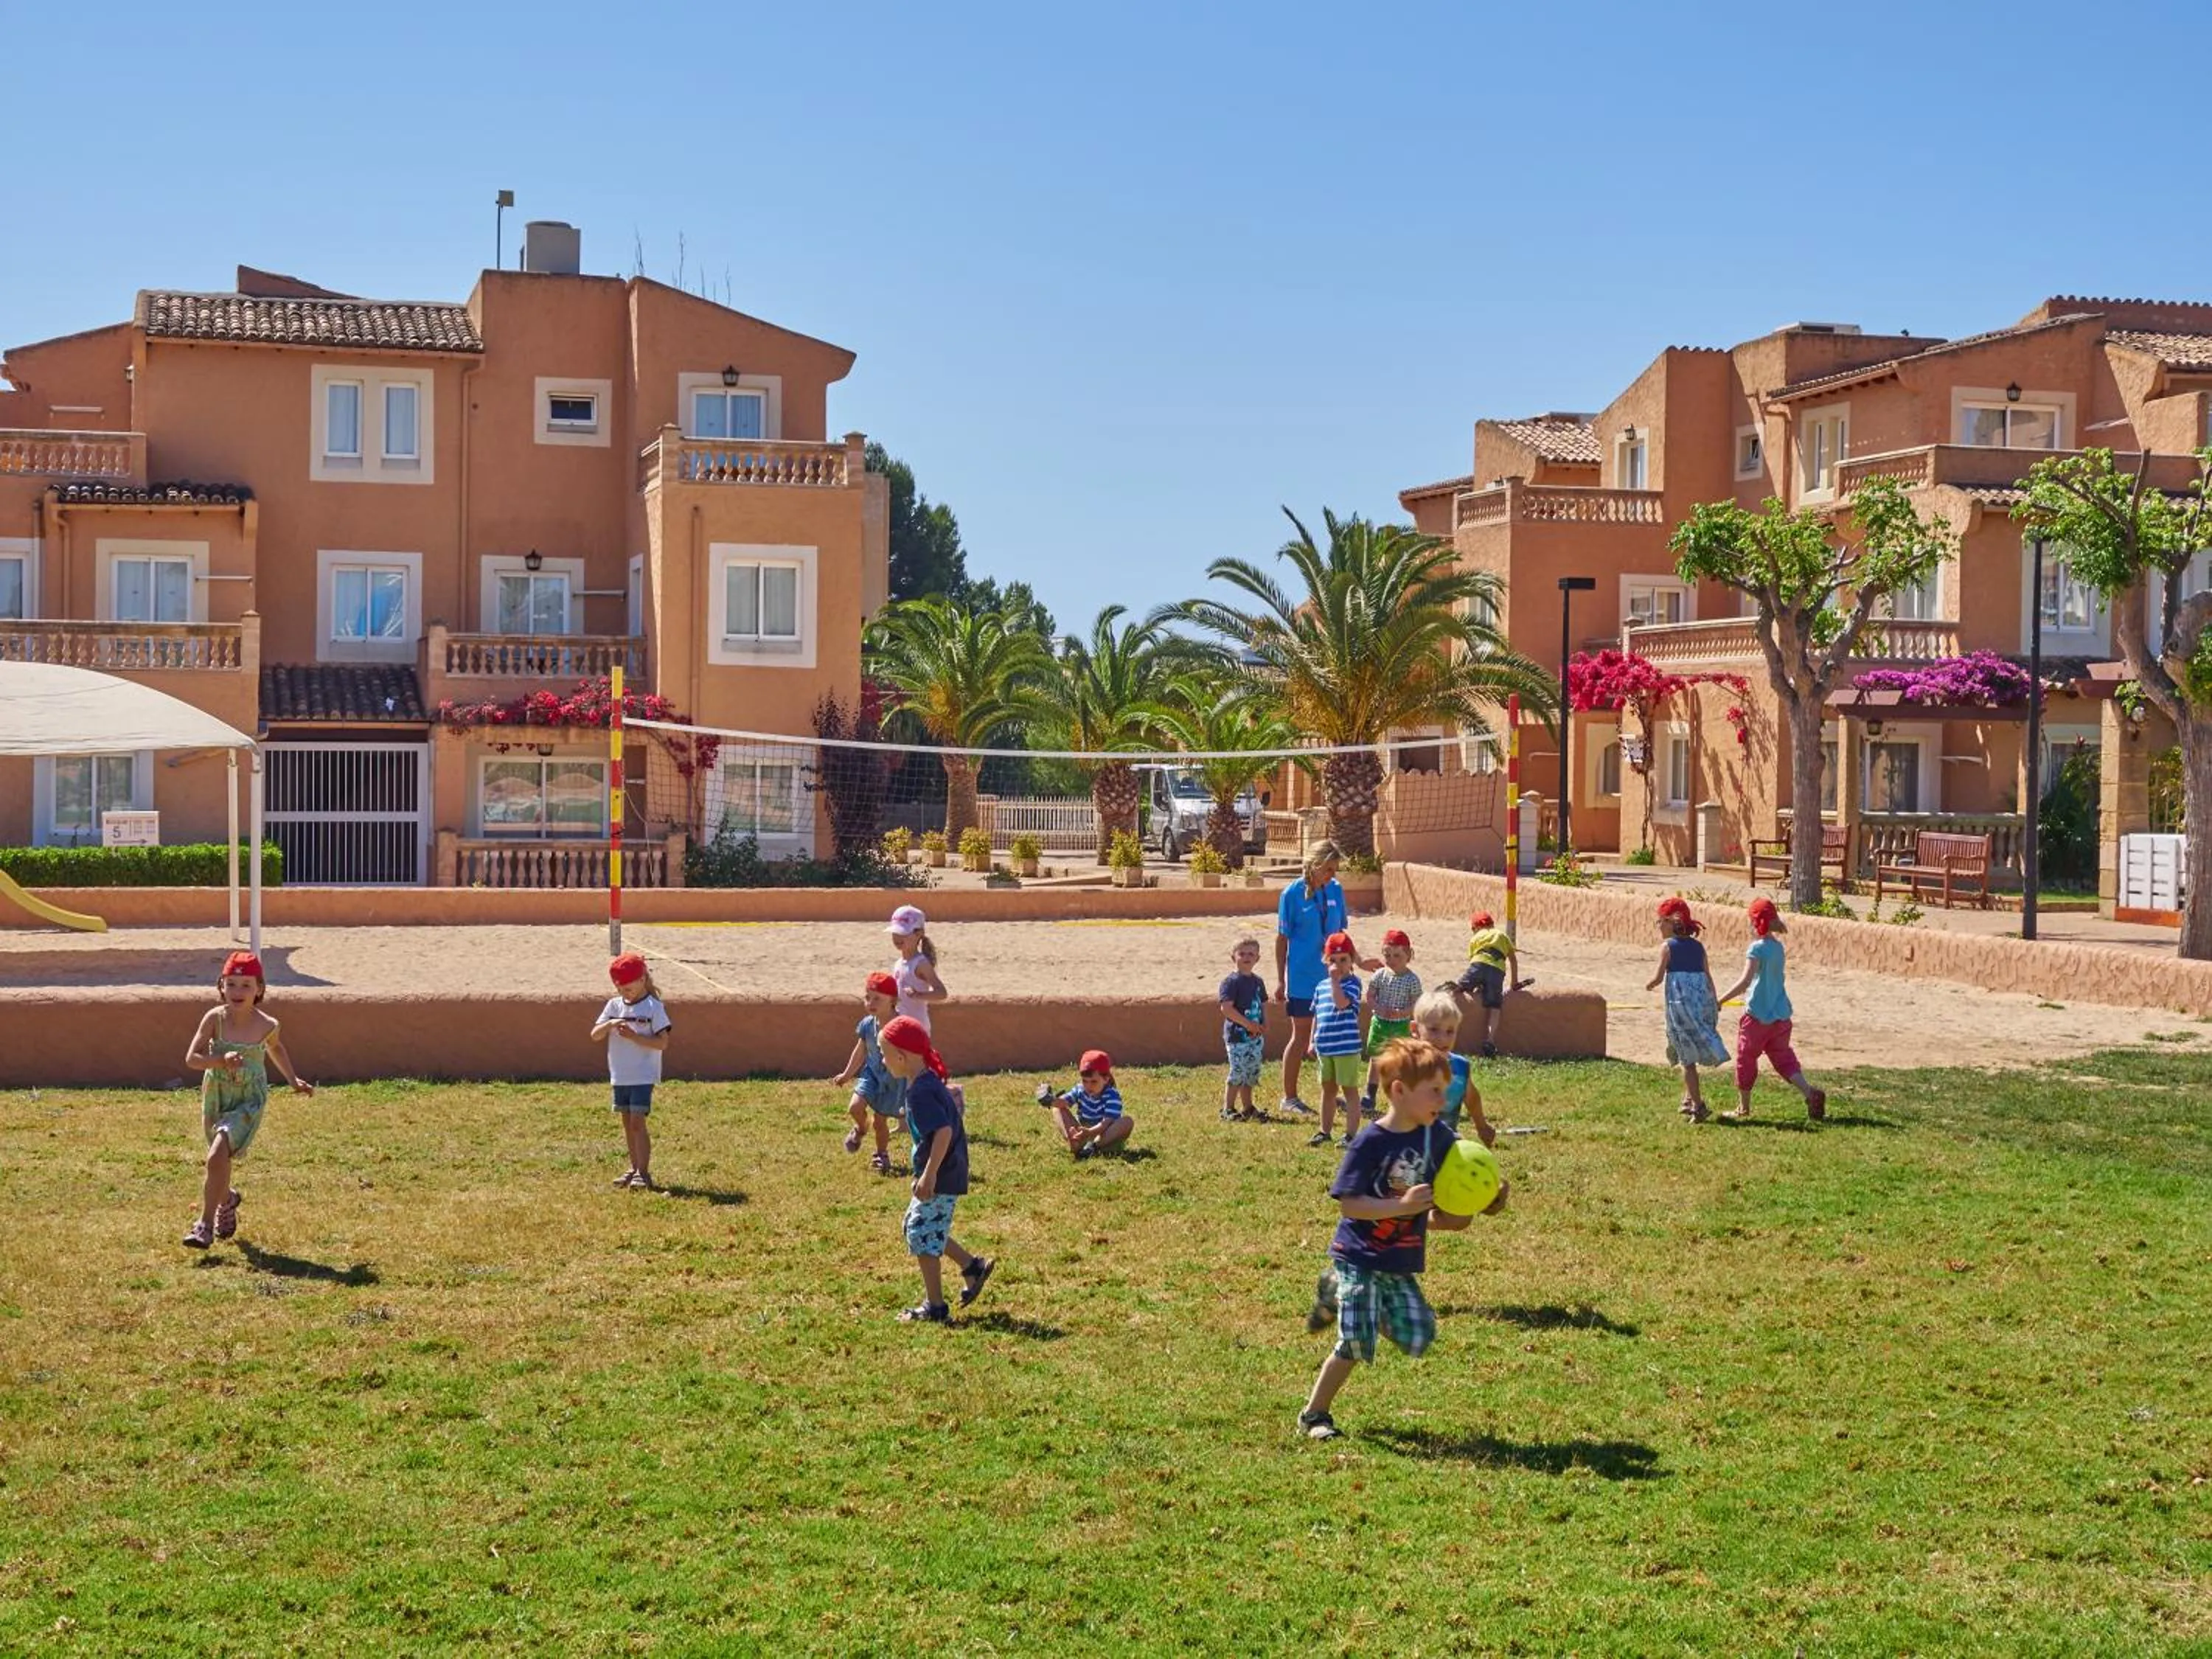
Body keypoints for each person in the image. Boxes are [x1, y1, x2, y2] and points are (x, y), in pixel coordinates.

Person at [1297, 1038, 1508, 1442]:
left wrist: (1486, 1197)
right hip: (1359, 1253)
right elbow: (1350, 1206)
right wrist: (1402, 1206)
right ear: (1399, 1091)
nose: (1443, 1100)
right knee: (1356, 1341)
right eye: (1434, 1091)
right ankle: (1315, 1415)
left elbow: (1460, 1184)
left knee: (1419, 1335)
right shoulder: (1370, 1142)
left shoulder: (1438, 1137)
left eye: (1445, 1090)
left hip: (1398, 1259)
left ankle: (1338, 1293)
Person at [181, 951, 313, 1249]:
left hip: (248, 1100)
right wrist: (220, 1061)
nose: (237, 991)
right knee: (220, 1160)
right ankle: (227, 1199)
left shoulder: (267, 1024)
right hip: (217, 1096)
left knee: (216, 1154)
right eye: (231, 984)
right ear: (221, 986)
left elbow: (276, 1049)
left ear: (259, 989)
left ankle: (204, 1226)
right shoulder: (214, 1019)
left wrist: (293, 1080)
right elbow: (192, 1059)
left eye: (246, 985)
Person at [877, 1015, 994, 1323]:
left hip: (942, 1173)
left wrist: (929, 1175)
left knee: (921, 1231)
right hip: (945, 1169)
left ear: (901, 1057)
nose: (883, 1060)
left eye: (884, 1054)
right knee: (920, 1226)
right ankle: (972, 1266)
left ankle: (936, 1307)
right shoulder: (924, 1082)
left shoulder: (920, 1092)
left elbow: (942, 1132)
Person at [1714, 897, 1828, 1121]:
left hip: (1757, 1016)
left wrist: (1721, 1000)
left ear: (1755, 922)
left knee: (1746, 1058)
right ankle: (1809, 1092)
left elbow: (1746, 981)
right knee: (1783, 1058)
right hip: (1780, 1015)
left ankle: (1743, 1108)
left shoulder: (1756, 948)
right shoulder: (1778, 947)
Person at [590, 950, 673, 1189]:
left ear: (642, 980)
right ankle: (634, 1167)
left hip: (642, 1074)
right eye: (619, 989)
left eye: (628, 988)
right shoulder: (614, 1006)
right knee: (627, 1123)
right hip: (621, 1075)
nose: (623, 993)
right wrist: (610, 1024)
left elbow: (662, 1043)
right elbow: (595, 1035)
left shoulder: (653, 1007)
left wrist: (635, 1037)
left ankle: (643, 1173)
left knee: (638, 1122)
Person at [1646, 897, 1730, 1122]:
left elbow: (1659, 976)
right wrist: (1715, 1001)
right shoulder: (1698, 947)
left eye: (1660, 922)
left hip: (1681, 1011)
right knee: (1691, 1051)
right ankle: (1688, 1099)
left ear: (1671, 922)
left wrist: (1650, 984)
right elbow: (1708, 976)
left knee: (1687, 1060)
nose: (1659, 927)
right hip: (1700, 1007)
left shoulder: (1667, 947)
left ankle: (1698, 1106)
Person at [834, 970, 906, 1174]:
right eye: (868, 998)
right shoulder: (867, 1025)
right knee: (854, 1108)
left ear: (893, 1001)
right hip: (872, 1075)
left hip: (893, 1080)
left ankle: (881, 1154)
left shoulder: (902, 1026)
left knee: (881, 1122)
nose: (871, 1003)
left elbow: (912, 1054)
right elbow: (861, 1051)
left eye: (877, 999)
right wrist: (847, 1074)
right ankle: (861, 1128)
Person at [1411, 990, 1494, 1145]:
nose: (1442, 1038)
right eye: (1434, 1030)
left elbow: (1471, 1099)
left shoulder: (1460, 1068)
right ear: (1415, 1030)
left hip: (1447, 1144)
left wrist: (1482, 1126)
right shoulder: (1409, 1066)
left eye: (1450, 1031)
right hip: (1411, 1146)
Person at [1307, 931, 1366, 1148]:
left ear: (1351, 961)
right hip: (1326, 1046)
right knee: (1328, 1089)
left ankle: (1351, 1135)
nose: (1338, 966)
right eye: (1333, 960)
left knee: (1349, 1090)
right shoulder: (1321, 986)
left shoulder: (1352, 984)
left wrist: (1334, 981)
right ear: (1326, 960)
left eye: (1343, 960)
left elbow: (1341, 1004)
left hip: (1346, 1047)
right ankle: (1325, 1131)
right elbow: (1317, 1014)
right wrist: (1312, 1040)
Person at [1360, 928, 1423, 1119]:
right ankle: (1370, 1094)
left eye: (1397, 956)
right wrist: (1377, 1007)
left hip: (1400, 1025)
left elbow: (1416, 1003)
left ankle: (1400, 1095)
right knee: (1376, 1059)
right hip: (1380, 1023)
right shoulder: (1380, 975)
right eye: (1387, 955)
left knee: (1400, 1060)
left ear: (1408, 955)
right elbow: (1370, 995)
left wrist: (1404, 1012)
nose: (1392, 960)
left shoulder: (1412, 980)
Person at [1035, 1048, 1135, 1158]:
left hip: (1105, 1136)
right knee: (1058, 1109)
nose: (1088, 1086)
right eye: (1085, 1081)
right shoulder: (1080, 1089)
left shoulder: (1112, 1095)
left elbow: (1106, 1123)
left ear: (1106, 1079)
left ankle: (1093, 1147)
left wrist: (1090, 1132)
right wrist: (1050, 1100)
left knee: (1127, 1122)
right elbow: (1064, 1102)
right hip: (1083, 1133)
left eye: (1094, 1082)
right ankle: (1074, 1141)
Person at [1453, 911, 1520, 1058]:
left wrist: (1476, 985)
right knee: (1495, 1007)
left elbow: (1475, 963)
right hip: (1497, 971)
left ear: (1476, 927)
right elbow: (1513, 960)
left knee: (1457, 989)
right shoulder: (1502, 935)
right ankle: (1490, 1040)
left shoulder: (1475, 938)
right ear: (1492, 924)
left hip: (1478, 964)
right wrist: (1514, 982)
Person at [1218, 936, 1268, 1122]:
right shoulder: (1231, 982)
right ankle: (1228, 1108)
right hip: (1238, 1037)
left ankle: (1248, 1107)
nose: (1247, 957)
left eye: (1251, 954)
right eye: (1242, 954)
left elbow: (1263, 1003)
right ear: (1234, 957)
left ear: (1257, 958)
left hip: (1255, 1037)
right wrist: (1247, 1024)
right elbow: (1226, 1008)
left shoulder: (1258, 982)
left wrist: (1264, 1022)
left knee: (1251, 1072)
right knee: (1238, 1072)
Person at [887, 904, 947, 1032]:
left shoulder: (920, 964)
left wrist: (918, 995)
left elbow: (942, 993)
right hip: (900, 1026)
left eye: (903, 933)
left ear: (919, 934)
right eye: (895, 933)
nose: (897, 938)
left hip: (917, 1029)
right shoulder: (899, 963)